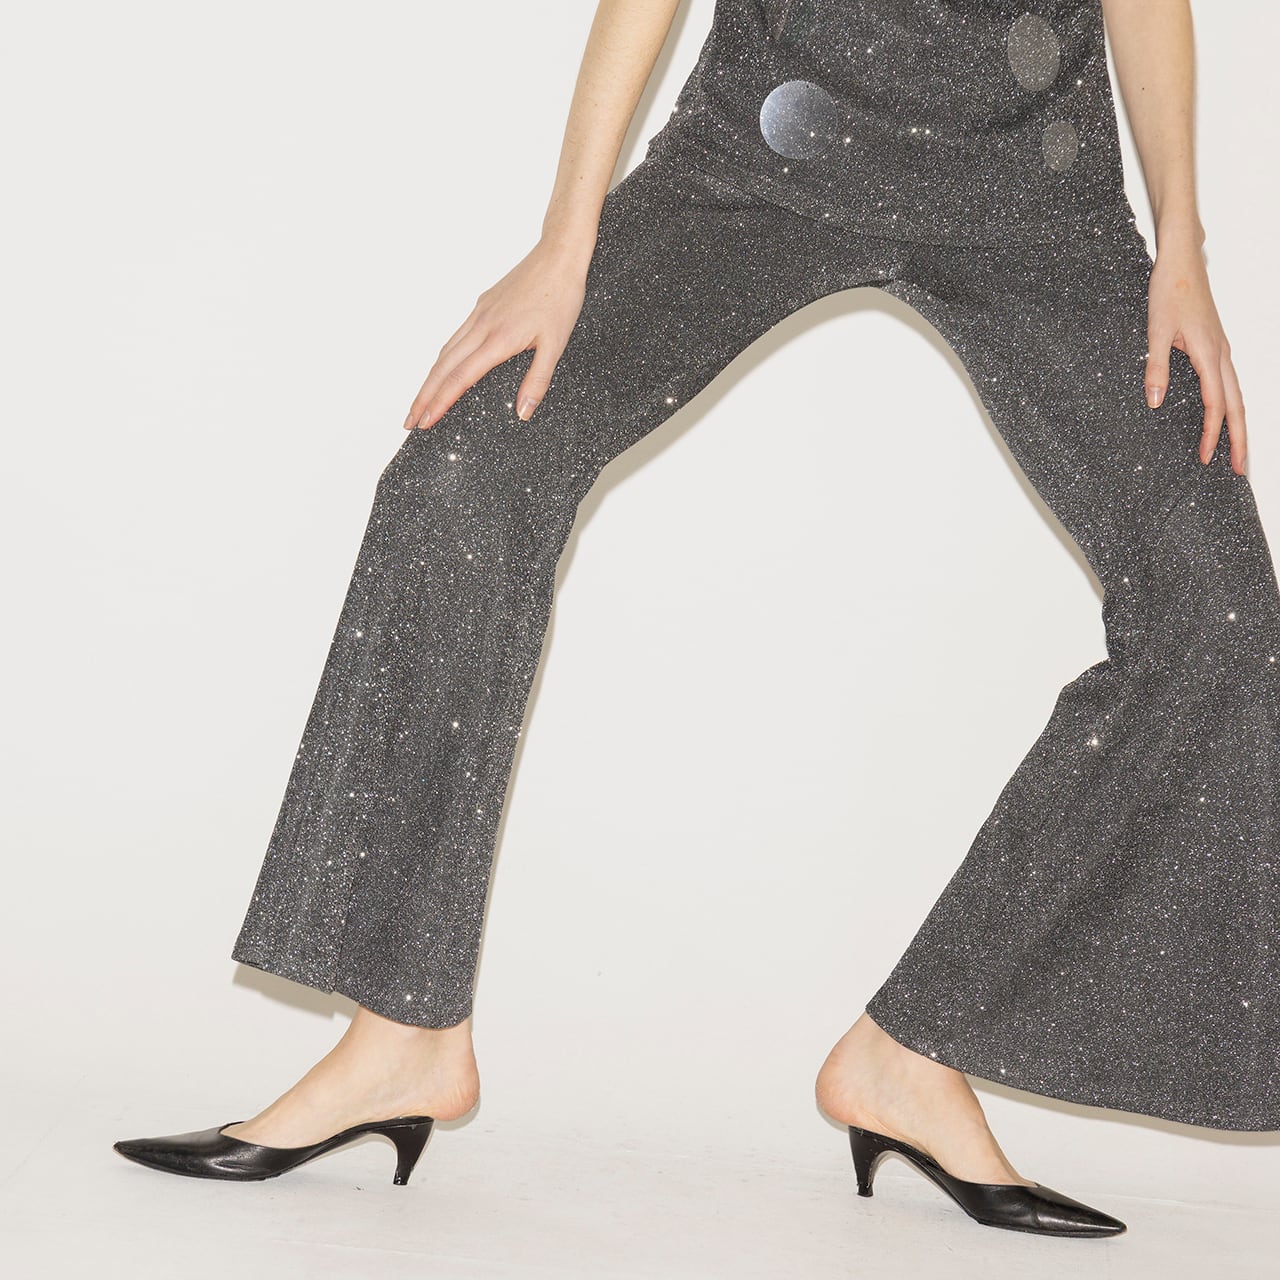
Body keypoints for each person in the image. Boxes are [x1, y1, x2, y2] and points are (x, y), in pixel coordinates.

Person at [113, 0, 1279, 1238]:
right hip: (762, 157)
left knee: (1223, 620)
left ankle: (910, 1056)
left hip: (1032, 193)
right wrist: (563, 242)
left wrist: (1181, 247)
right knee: (462, 474)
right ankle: (401, 1032)